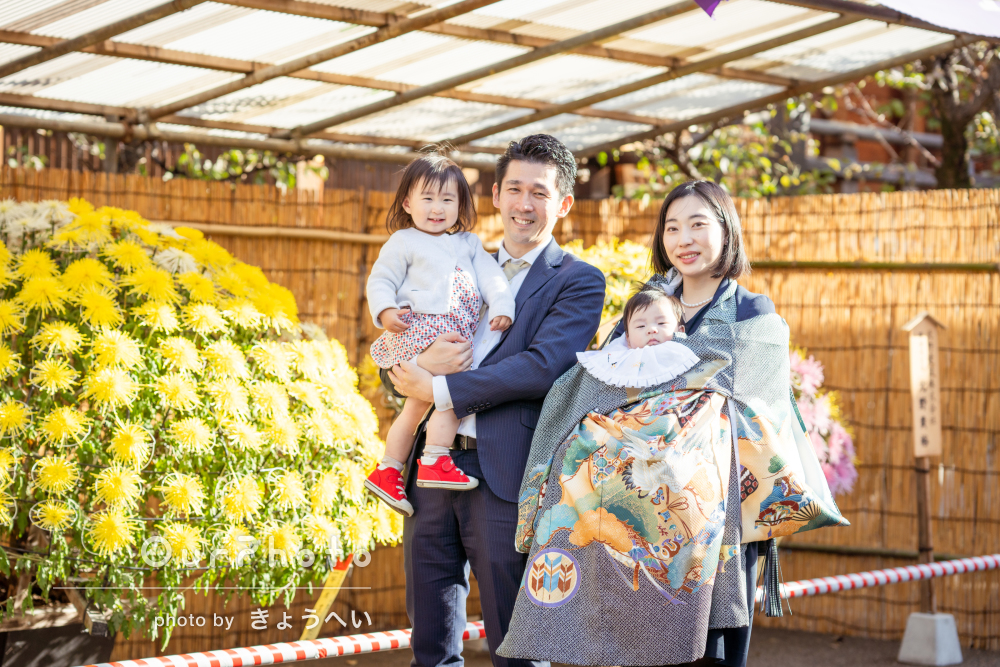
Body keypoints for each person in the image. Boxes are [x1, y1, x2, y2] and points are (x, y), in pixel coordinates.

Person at [498, 180, 847, 667]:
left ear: (726, 230)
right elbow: (603, 383)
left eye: (698, 224)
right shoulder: (644, 310)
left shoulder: (751, 313)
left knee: (711, 653)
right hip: (634, 524)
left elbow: (758, 406)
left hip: (715, 515)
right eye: (672, 227)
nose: (683, 238)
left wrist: (669, 383)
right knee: (629, 647)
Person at [383, 135, 607, 667]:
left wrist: (440, 388)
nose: (524, 205)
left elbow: (541, 367)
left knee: (516, 645)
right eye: (513, 189)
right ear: (495, 194)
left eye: (539, 193)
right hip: (430, 468)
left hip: (506, 473)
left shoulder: (577, 281)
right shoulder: (457, 261)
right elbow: (409, 338)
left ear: (563, 204)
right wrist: (409, 370)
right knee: (430, 642)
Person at [365, 154, 515, 517]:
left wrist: (501, 306)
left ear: (461, 204)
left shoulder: (469, 244)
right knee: (446, 399)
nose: (437, 208)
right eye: (427, 198)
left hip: (452, 340)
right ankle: (432, 459)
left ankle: (389, 469)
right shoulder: (404, 241)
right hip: (418, 332)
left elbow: (493, 277)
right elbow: (381, 279)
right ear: (407, 203)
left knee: (422, 405)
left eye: (448, 199)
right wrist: (385, 311)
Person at [576, 288, 700, 389]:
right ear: (628, 338)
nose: (651, 330)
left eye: (661, 323)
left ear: (680, 331)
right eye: (641, 326)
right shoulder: (620, 358)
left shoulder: (685, 356)